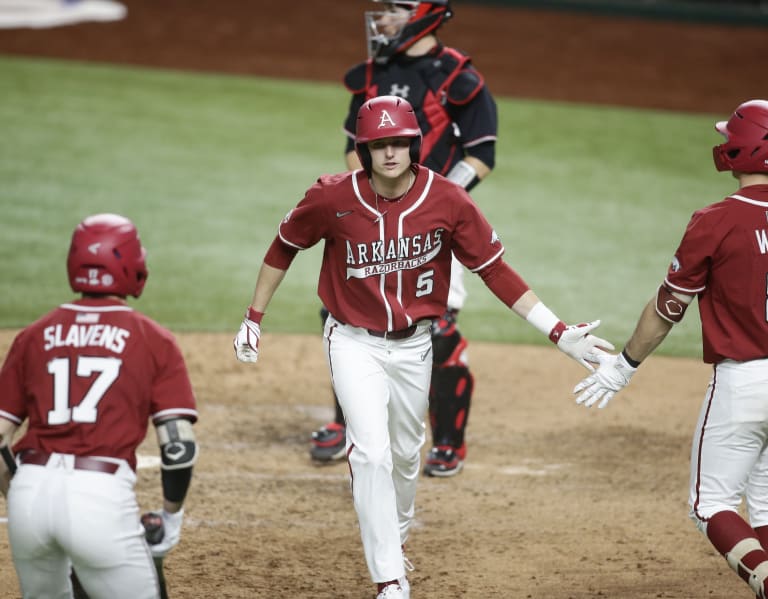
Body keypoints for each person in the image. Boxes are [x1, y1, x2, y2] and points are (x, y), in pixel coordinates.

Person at [234, 95, 610, 599]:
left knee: (408, 455)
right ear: (364, 150)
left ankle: (398, 533)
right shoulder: (331, 197)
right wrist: (254, 317)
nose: (390, 153)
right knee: (369, 452)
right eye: (378, 144)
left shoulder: (448, 200)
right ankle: (390, 579)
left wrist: (559, 332)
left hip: (414, 347)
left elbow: (494, 269)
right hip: (351, 342)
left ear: (415, 145)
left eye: (399, 143)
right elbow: (284, 245)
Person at [573, 99, 768, 598]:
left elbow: (668, 308)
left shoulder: (717, 220)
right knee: (766, 507)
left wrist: (623, 366)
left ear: (742, 149)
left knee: (711, 505)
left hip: (744, 385)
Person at [310, 0, 499, 478]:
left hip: (435, 227)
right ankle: (346, 423)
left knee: (438, 327)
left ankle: (449, 441)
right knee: (344, 314)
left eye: (395, 9)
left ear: (425, 14)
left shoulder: (456, 76)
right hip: (369, 219)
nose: (384, 20)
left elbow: (480, 155)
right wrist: (369, 201)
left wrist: (435, 201)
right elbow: (355, 150)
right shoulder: (373, 75)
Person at [0, 213, 199, 599]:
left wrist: (21, 490)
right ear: (131, 264)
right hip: (99, 498)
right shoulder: (153, 339)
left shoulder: (33, 335)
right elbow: (178, 448)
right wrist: (171, 517)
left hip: (28, 496)